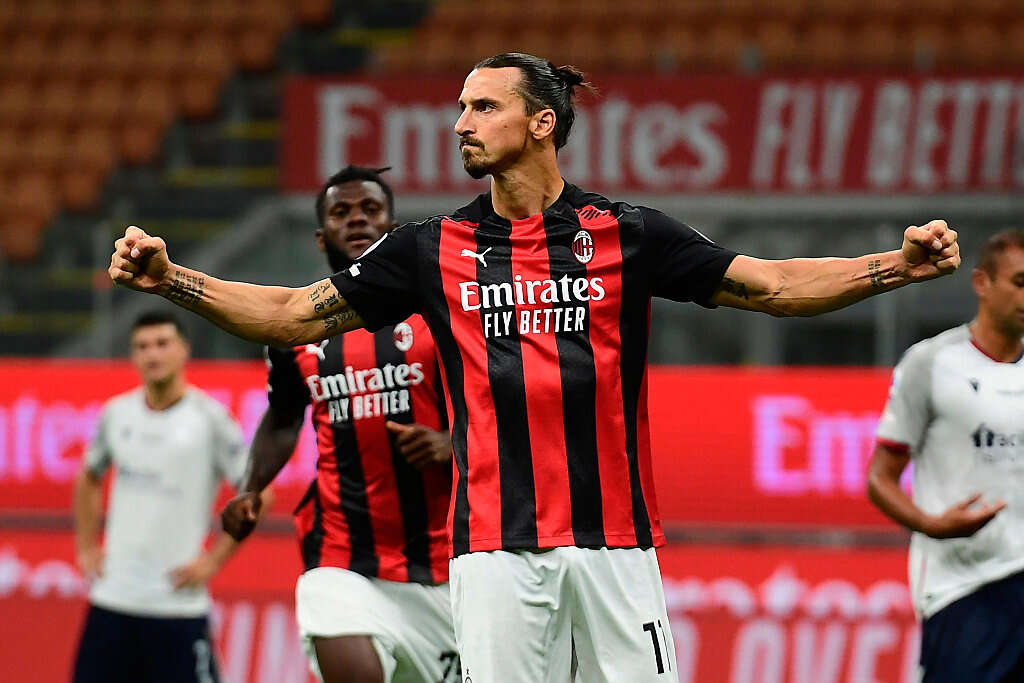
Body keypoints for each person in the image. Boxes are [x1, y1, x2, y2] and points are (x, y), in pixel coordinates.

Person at [108, 54, 961, 682]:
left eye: (483, 106)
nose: (461, 123)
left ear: (542, 122)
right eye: (460, 108)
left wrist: (895, 266)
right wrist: (173, 280)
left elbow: (773, 286)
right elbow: (294, 314)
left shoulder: (627, 234)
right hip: (493, 554)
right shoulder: (429, 249)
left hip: (616, 547)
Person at [219, 166, 459, 683]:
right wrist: (250, 488)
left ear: (393, 225)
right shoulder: (296, 329)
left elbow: (501, 407)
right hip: (343, 554)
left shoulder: (440, 312)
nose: (356, 220)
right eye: (341, 212)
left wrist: (452, 444)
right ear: (320, 235)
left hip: (453, 561)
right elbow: (284, 415)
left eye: (370, 209)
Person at [71, 311, 271, 683]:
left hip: (177, 605)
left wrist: (213, 561)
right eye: (142, 346)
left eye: (162, 344)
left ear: (184, 350)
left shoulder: (210, 419)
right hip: (112, 599)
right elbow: (88, 475)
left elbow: (260, 494)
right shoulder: (116, 413)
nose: (153, 354)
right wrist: (85, 546)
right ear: (133, 355)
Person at [867, 229, 1024, 683]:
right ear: (982, 283)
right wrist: (932, 525)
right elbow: (879, 478)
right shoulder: (931, 363)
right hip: (965, 588)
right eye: (1019, 282)